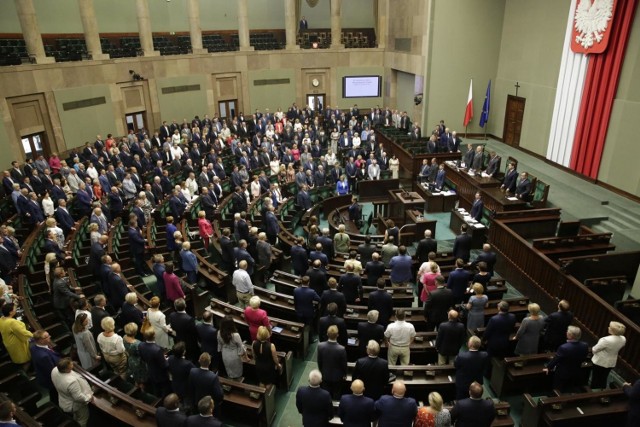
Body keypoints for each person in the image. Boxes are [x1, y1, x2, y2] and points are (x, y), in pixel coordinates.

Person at [543, 325, 589, 392]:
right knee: (570, 388)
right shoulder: (585, 345)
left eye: (567, 331)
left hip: (562, 372)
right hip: (576, 370)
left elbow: (556, 359)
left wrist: (548, 367)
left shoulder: (564, 347)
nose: (566, 332)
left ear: (570, 335)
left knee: (557, 388)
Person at [51, 358, 93, 427]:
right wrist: (88, 397)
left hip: (64, 400)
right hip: (75, 405)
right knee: (83, 419)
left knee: (76, 417)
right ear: (66, 369)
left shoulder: (54, 370)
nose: (72, 364)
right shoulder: (71, 382)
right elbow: (78, 397)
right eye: (71, 364)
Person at [590, 321, 626, 389]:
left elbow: (594, 350)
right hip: (612, 362)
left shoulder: (605, 340)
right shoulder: (623, 339)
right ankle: (602, 391)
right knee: (604, 377)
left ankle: (594, 392)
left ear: (613, 330)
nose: (608, 327)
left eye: (610, 327)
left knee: (596, 378)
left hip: (600, 362)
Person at [30, 329, 61, 405]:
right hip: (51, 380)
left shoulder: (34, 347)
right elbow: (53, 371)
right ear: (40, 341)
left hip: (44, 375)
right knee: (55, 394)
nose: (50, 337)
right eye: (47, 337)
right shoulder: (43, 356)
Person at [317, 325, 347, 400]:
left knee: (325, 395)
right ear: (337, 335)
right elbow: (344, 364)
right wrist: (345, 374)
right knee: (337, 393)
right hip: (338, 377)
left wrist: (321, 371)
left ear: (327, 334)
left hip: (325, 374)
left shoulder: (320, 346)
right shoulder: (342, 349)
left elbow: (319, 361)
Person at [218, 315, 247, 380]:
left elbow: (219, 345)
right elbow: (240, 346)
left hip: (225, 354)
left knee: (229, 369)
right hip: (234, 355)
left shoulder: (219, 333)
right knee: (237, 371)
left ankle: (230, 381)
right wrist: (242, 352)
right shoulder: (235, 335)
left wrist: (221, 350)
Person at [122, 322, 147, 387]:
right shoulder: (138, 344)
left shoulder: (124, 337)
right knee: (141, 381)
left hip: (130, 359)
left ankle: (136, 388)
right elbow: (143, 354)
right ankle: (142, 393)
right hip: (139, 363)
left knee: (136, 378)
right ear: (135, 332)